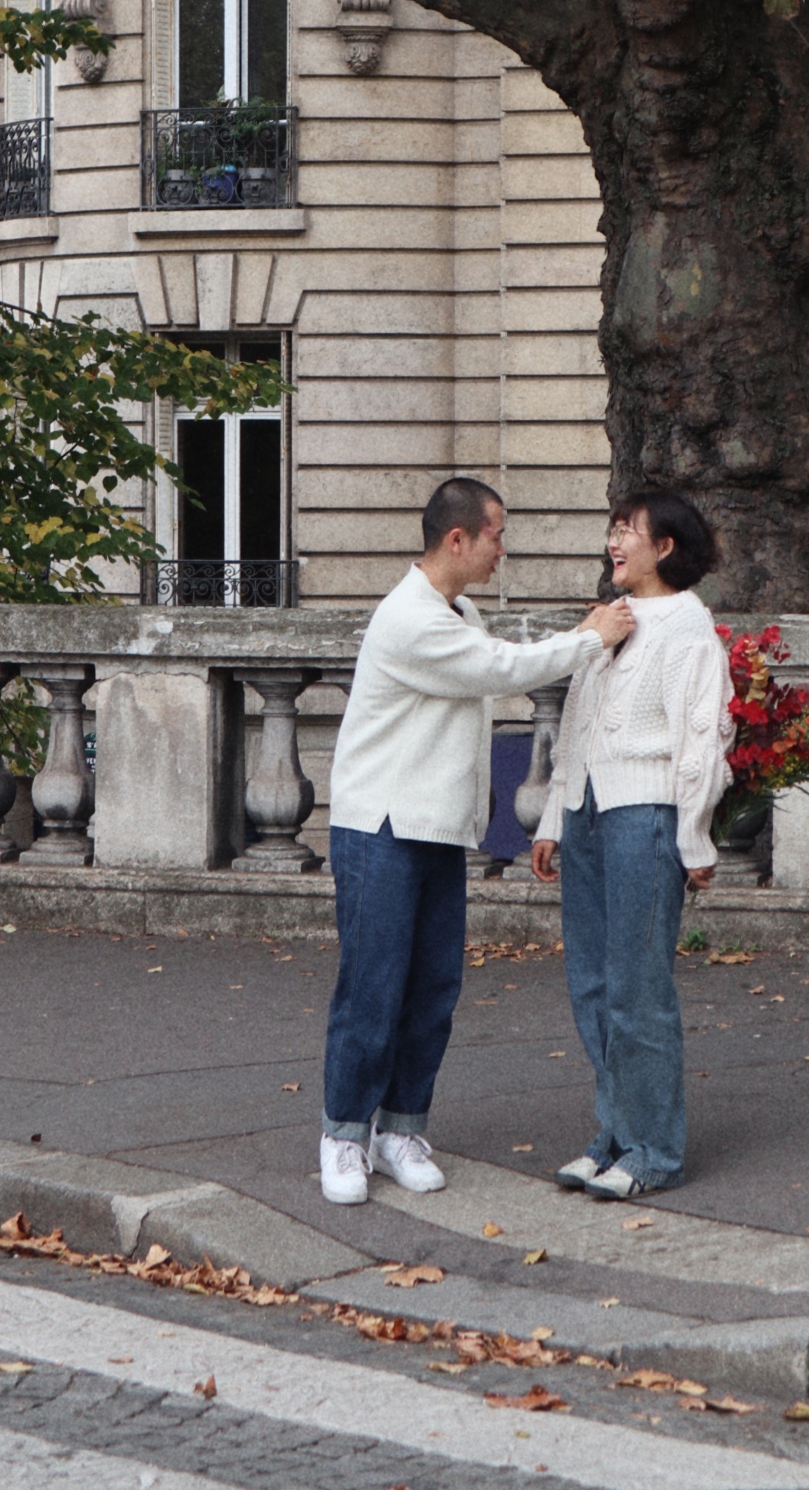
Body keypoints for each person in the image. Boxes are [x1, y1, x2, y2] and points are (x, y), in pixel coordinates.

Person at [319, 476, 635, 1206]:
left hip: (432, 828)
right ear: (456, 539)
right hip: (382, 827)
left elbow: (492, 665)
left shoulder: (455, 609)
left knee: (432, 986)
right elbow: (502, 669)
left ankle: (400, 1130)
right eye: (497, 534)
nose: (503, 549)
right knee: (373, 985)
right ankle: (343, 1134)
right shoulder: (410, 618)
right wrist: (590, 638)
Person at [530, 488, 734, 1202]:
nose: (614, 542)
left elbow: (704, 738)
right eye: (612, 529)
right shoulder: (607, 620)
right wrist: (556, 816)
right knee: (591, 983)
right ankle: (614, 1133)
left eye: (629, 532)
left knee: (638, 990)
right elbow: (576, 725)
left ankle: (654, 1149)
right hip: (589, 810)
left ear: (666, 547)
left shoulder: (688, 627)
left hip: (645, 816)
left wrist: (694, 834)